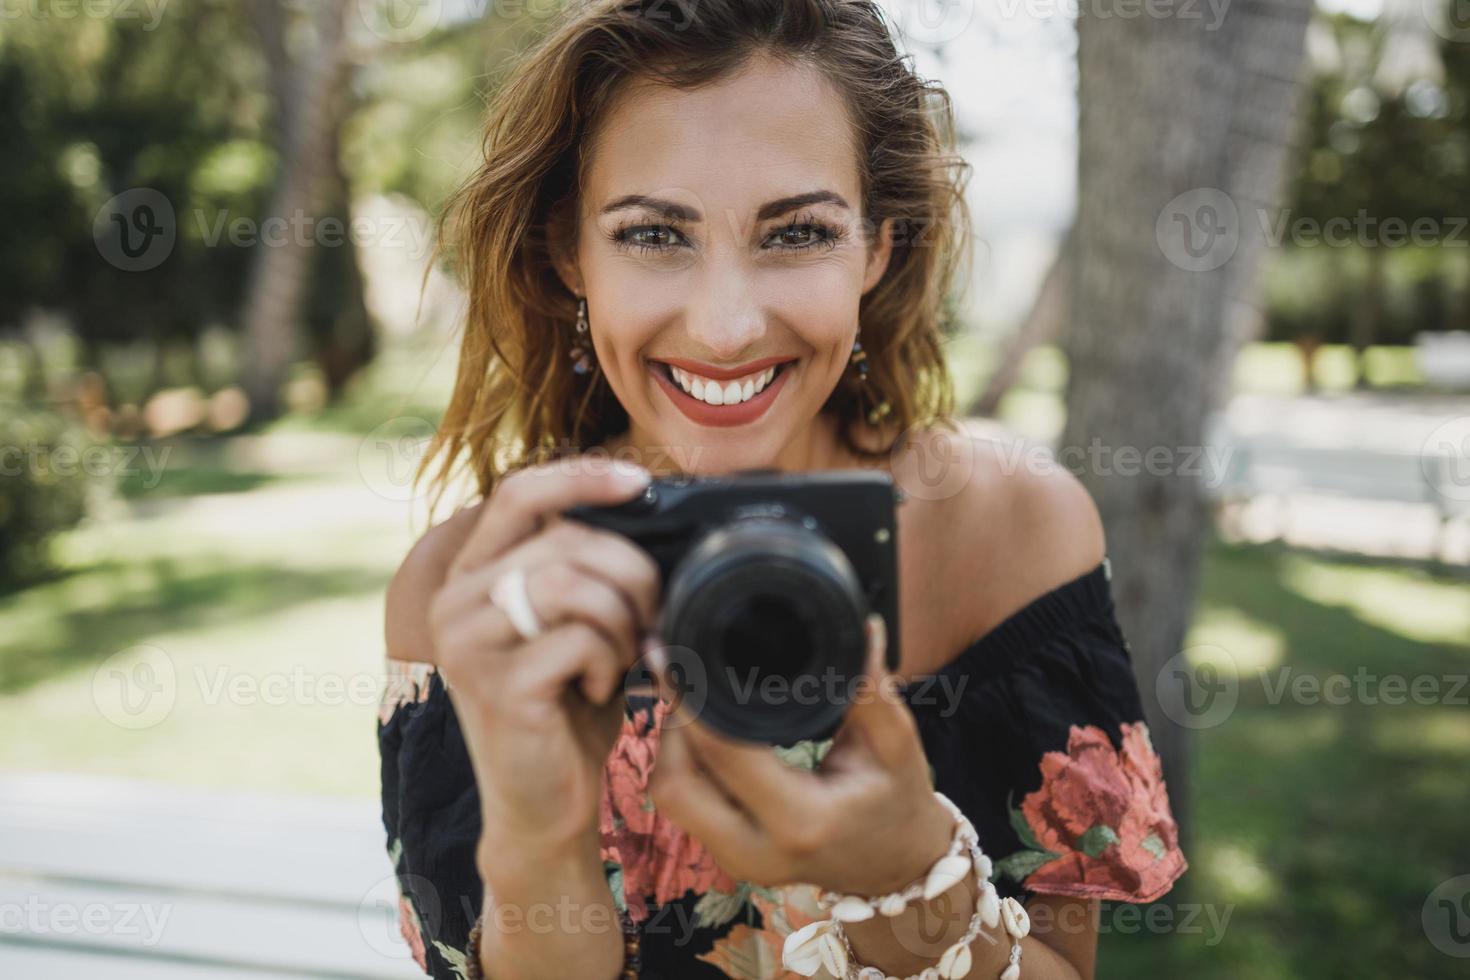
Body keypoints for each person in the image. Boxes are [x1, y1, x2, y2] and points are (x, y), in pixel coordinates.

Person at [377, 2, 1187, 978]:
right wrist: (539, 838)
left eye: (798, 231)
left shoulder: (1007, 531)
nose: (724, 326)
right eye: (652, 235)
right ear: (569, 253)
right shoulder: (472, 593)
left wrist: (909, 876)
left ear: (878, 246)